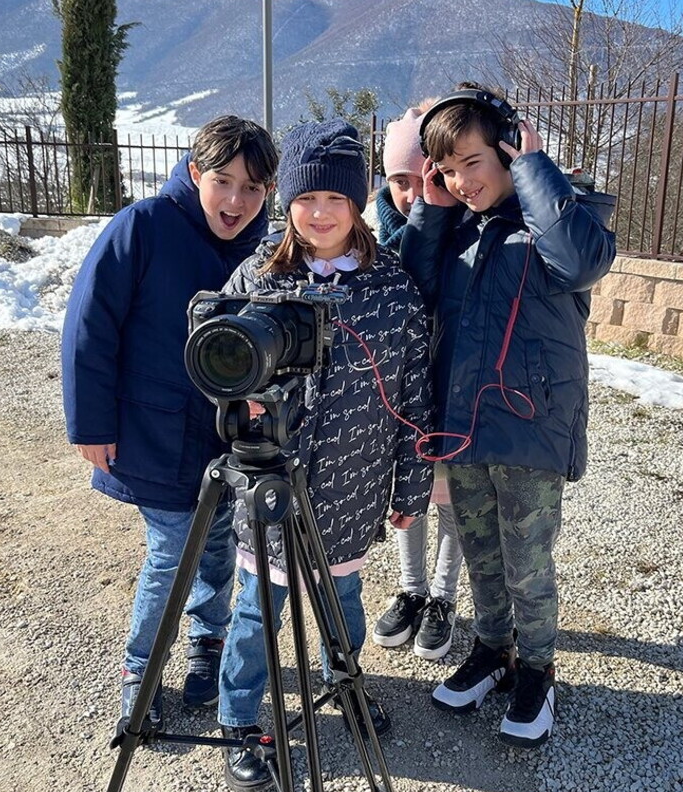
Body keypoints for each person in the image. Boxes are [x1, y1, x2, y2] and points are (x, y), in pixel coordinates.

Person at [214, 119, 433, 791]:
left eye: (335, 198)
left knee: (343, 601)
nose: (320, 213)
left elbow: (415, 395)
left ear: (357, 201)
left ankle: (344, 681)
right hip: (270, 481)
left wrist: (412, 489)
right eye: (307, 198)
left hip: (352, 487)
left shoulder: (392, 289)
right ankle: (238, 719)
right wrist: (240, 406)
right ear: (289, 200)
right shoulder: (257, 275)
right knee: (257, 610)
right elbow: (215, 361)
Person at [400, 83, 616, 748]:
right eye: (447, 170)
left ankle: (537, 670)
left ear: (506, 147)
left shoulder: (561, 214)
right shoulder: (456, 229)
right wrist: (431, 212)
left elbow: (581, 262)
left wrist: (534, 170)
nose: (462, 181)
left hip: (530, 425)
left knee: (527, 560)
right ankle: (493, 650)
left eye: (474, 162)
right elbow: (410, 290)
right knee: (482, 554)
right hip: (464, 422)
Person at [61, 116, 279, 735]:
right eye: (223, 181)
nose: (236, 201)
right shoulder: (145, 225)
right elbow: (89, 325)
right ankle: (141, 669)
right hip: (152, 432)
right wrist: (90, 424)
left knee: (219, 546)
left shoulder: (266, 250)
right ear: (193, 172)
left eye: (253, 188)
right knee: (171, 556)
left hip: (227, 437)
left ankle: (208, 640)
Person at [370, 102, 464, 661]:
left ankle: (444, 597)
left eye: (421, 178)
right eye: (398, 181)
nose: (410, 194)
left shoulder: (467, 229)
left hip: (453, 386)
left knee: (452, 496)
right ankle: (412, 588)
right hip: (402, 391)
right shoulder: (375, 237)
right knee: (408, 492)